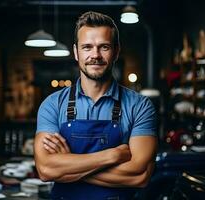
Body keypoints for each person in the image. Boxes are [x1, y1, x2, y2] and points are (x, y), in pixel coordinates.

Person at [34, 11, 158, 200]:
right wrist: (112, 156)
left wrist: (68, 166)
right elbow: (45, 169)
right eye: (87, 47)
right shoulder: (53, 105)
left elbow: (139, 175)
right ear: (76, 52)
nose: (95, 55)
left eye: (104, 47)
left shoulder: (139, 106)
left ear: (116, 51)